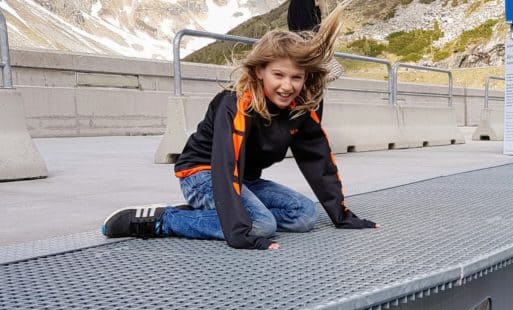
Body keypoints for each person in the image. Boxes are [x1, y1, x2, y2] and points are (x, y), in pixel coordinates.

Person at [102, 5, 375, 250]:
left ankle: (216, 213)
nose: (287, 86)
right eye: (278, 75)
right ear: (260, 71)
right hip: (203, 173)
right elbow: (224, 164)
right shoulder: (236, 104)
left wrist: (342, 216)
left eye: (296, 77)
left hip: (243, 177)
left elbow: (319, 161)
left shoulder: (298, 109)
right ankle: (165, 220)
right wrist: (239, 230)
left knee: (304, 214)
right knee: (260, 225)